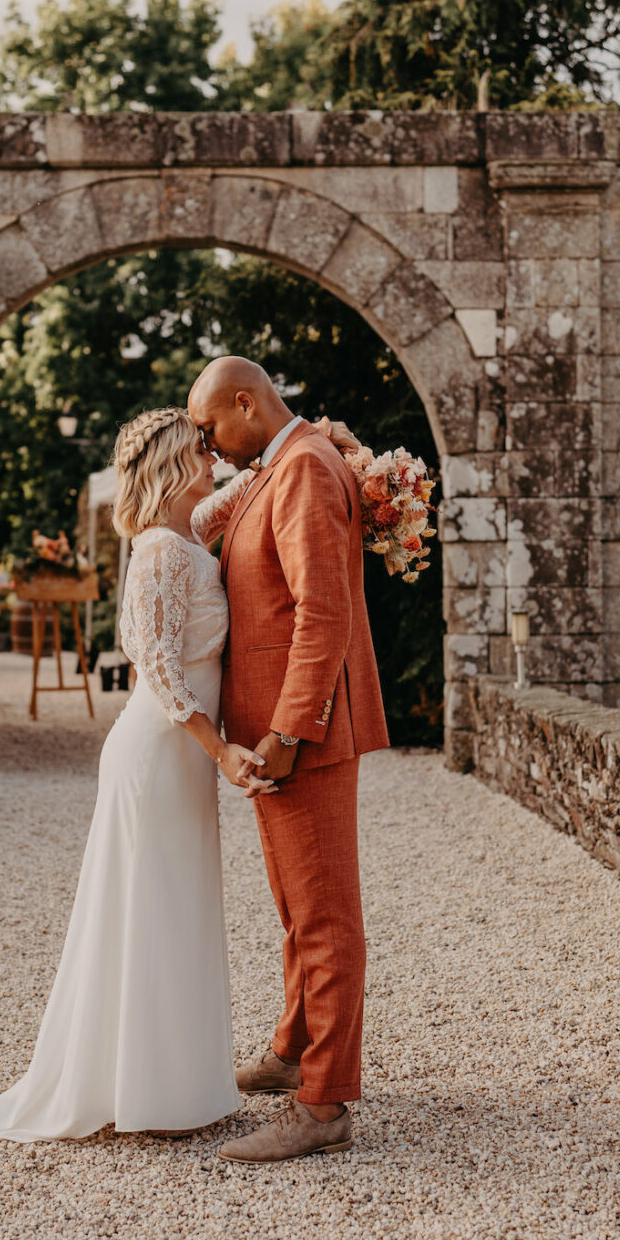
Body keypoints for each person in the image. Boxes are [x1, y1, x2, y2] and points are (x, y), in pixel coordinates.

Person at [0, 407, 268, 1144]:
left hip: (181, 758)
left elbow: (244, 492)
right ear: (176, 466)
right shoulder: (159, 549)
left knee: (176, 905)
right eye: (203, 450)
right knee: (153, 907)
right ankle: (145, 1090)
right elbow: (155, 666)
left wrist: (317, 445)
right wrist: (221, 751)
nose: (216, 459)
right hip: (160, 753)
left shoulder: (190, 534)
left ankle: (174, 1083)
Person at [188, 358, 389, 1164]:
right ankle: (292, 1050)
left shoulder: (304, 466)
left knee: (326, 918)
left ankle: (325, 1104)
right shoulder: (280, 465)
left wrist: (285, 731)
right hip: (281, 738)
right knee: (295, 910)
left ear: (247, 401)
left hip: (303, 734)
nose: (207, 443)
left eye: (209, 427)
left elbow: (323, 613)